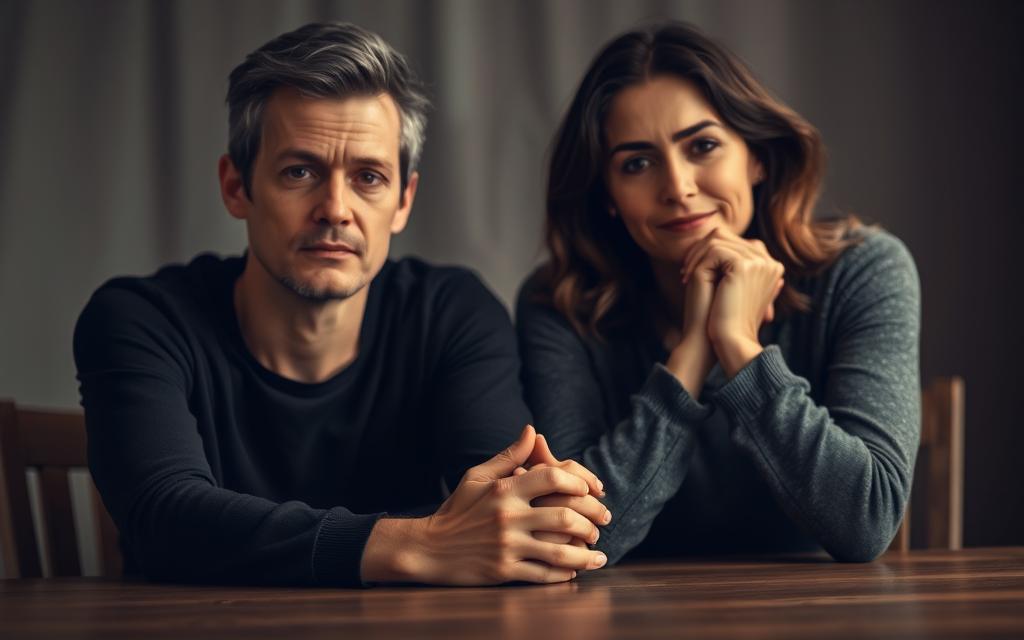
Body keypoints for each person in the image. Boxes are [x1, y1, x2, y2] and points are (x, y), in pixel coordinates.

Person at [74, 22, 610, 587]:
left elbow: (508, 512)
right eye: (299, 172)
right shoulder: (140, 320)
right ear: (236, 187)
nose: (335, 208)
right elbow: (164, 520)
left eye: (368, 177)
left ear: (403, 201)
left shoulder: (451, 312)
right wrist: (419, 543)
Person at [517, 21, 921, 565]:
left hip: (822, 613)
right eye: (637, 163)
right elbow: (578, 537)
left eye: (703, 146)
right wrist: (691, 356)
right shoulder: (560, 304)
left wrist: (738, 346)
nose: (678, 187)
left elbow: (866, 521)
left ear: (756, 157)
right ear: (607, 196)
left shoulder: (864, 270)